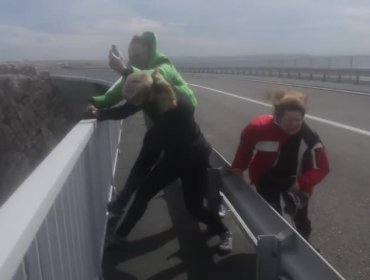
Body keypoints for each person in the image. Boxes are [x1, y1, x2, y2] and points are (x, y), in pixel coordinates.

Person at [91, 71, 232, 252]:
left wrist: (136, 177)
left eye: (136, 101)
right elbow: (128, 109)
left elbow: (151, 152)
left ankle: (224, 232)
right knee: (143, 194)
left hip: (194, 157)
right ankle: (119, 236)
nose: (134, 105)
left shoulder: (177, 105)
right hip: (175, 155)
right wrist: (100, 114)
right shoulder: (149, 93)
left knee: (194, 207)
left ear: (147, 96)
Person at [88, 31, 205, 216]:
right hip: (161, 125)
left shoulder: (163, 65)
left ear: (149, 52)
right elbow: (115, 94)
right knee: (144, 161)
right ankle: (121, 202)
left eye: (137, 56)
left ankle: (212, 198)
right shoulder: (135, 72)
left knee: (183, 165)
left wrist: (124, 70)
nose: (133, 60)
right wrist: (94, 103)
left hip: (179, 122)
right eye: (130, 57)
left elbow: (151, 78)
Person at [231, 89, 329, 241]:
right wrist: (238, 168)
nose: (294, 125)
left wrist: (302, 183)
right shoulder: (258, 128)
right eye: (289, 120)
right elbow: (245, 149)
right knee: (272, 217)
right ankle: (272, 247)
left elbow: (322, 167)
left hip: (296, 179)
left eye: (298, 120)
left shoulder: (309, 136)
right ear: (277, 117)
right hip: (266, 177)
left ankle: (305, 246)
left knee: (301, 217)